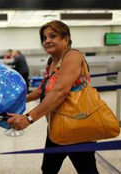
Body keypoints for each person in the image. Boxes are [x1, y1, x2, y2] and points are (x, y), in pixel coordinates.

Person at [7, 20, 99, 174]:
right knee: (49, 168)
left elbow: (60, 90)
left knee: (87, 169)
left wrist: (28, 118)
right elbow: (41, 90)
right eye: (44, 38)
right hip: (57, 126)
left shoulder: (72, 55)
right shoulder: (51, 62)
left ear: (65, 39)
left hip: (78, 126)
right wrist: (17, 100)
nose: (47, 40)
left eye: (52, 36)